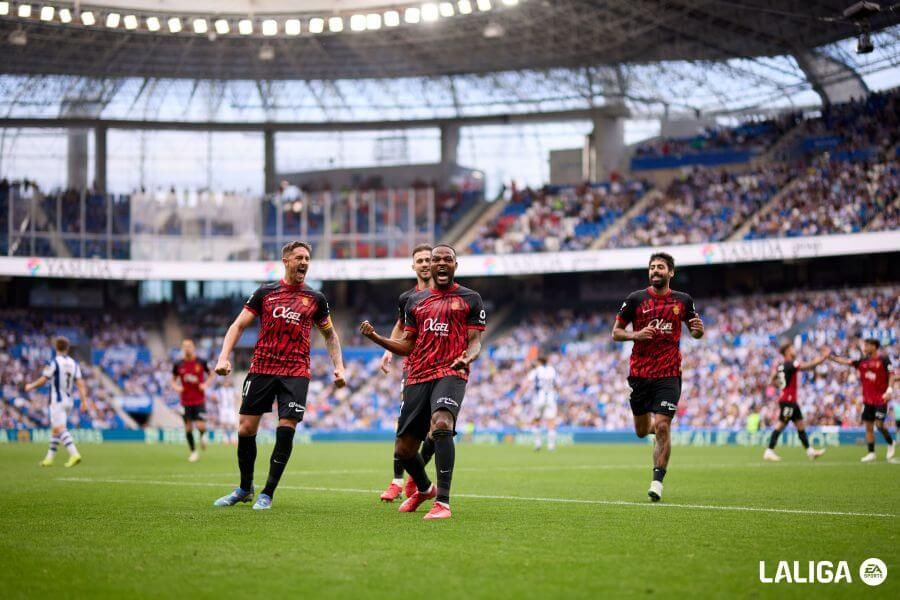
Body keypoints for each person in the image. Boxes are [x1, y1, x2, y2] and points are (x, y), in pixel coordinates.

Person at [213, 241, 346, 510]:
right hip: (262, 368)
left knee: (286, 430)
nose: (305, 262)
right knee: (245, 429)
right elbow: (238, 325)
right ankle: (244, 487)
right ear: (285, 260)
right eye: (299, 257)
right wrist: (223, 356)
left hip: (295, 372)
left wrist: (339, 366)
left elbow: (330, 335)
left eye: (308, 258)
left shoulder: (316, 299)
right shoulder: (265, 293)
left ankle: (268, 493)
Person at [360, 244, 486, 520]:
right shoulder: (414, 302)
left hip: (451, 371)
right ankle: (425, 488)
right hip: (417, 374)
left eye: (446, 259)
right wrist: (377, 339)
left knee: (442, 424)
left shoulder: (470, 298)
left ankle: (443, 502)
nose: (440, 263)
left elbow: (475, 342)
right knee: (404, 450)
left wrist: (469, 358)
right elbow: (406, 345)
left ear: (455, 265)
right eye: (436, 259)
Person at [612, 252, 703, 502]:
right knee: (643, 431)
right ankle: (659, 429)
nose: (655, 271)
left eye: (660, 267)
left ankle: (657, 482)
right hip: (640, 374)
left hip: (669, 374)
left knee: (662, 426)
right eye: (652, 267)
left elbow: (695, 331)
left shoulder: (683, 300)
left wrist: (698, 333)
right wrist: (636, 335)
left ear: (670, 272)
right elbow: (616, 332)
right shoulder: (635, 299)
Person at [380, 244, 437, 503]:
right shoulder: (407, 298)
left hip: (442, 370)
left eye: (428, 259)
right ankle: (397, 481)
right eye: (420, 260)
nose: (425, 264)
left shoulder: (447, 295)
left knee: (437, 428)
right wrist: (388, 351)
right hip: (414, 368)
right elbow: (401, 325)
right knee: (405, 424)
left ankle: (417, 475)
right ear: (413, 266)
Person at [24, 336, 91, 467]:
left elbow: (44, 379)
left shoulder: (54, 362)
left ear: (56, 347)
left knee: (60, 429)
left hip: (57, 400)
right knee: (55, 430)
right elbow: (80, 384)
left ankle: (74, 454)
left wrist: (30, 386)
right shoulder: (73, 363)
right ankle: (49, 458)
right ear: (67, 348)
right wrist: (84, 401)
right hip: (69, 401)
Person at [829, 338, 897, 462]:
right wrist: (831, 357)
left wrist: (890, 390)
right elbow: (846, 361)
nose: (864, 347)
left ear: (874, 346)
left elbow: (892, 374)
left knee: (879, 424)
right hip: (868, 400)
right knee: (869, 426)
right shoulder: (863, 361)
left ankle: (890, 442)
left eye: (867, 345)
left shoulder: (884, 359)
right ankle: (871, 453)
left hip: (881, 399)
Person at [763, 342, 830, 462]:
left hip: (790, 400)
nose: (794, 350)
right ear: (787, 352)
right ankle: (769, 450)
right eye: (792, 348)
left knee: (800, 425)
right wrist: (822, 358)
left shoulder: (780, 366)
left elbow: (772, 379)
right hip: (788, 401)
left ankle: (810, 451)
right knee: (781, 424)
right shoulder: (791, 364)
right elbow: (807, 366)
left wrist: (779, 386)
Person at [172, 339, 212, 462]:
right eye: (184, 346)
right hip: (185, 401)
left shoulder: (201, 361)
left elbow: (211, 374)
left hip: (199, 400)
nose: (187, 348)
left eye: (189, 346)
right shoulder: (178, 364)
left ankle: (202, 435)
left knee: (201, 426)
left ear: (193, 347)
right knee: (188, 428)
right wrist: (177, 387)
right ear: (182, 348)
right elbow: (173, 380)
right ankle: (193, 452)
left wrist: (205, 385)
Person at [521, 355, 560, 451]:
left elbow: (526, 383)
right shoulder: (552, 370)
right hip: (551, 398)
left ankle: (538, 444)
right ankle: (551, 446)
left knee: (536, 420)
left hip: (539, 399)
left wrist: (520, 394)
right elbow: (557, 385)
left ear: (539, 362)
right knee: (551, 422)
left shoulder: (536, 371)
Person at [216, 377, 239, 446]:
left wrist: (235, 402)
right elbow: (216, 397)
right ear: (223, 383)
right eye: (225, 382)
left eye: (227, 382)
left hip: (231, 408)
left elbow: (237, 397)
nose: (226, 384)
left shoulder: (232, 390)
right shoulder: (220, 390)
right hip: (223, 408)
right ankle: (225, 438)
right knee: (224, 423)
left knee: (232, 423)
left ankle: (233, 437)